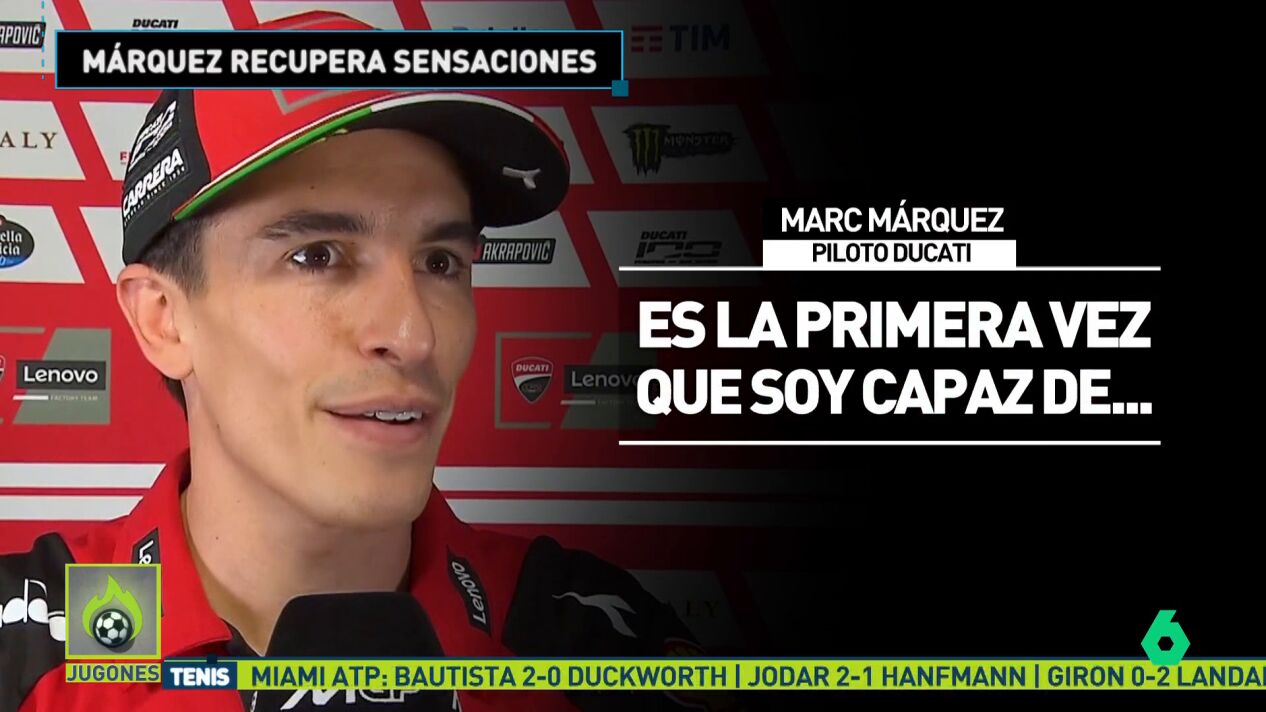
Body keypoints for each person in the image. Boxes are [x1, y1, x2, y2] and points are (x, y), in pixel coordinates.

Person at [0, 12, 703, 712]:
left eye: (440, 262)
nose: (413, 334)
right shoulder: (23, 653)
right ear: (163, 319)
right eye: (317, 256)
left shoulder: (592, 639)